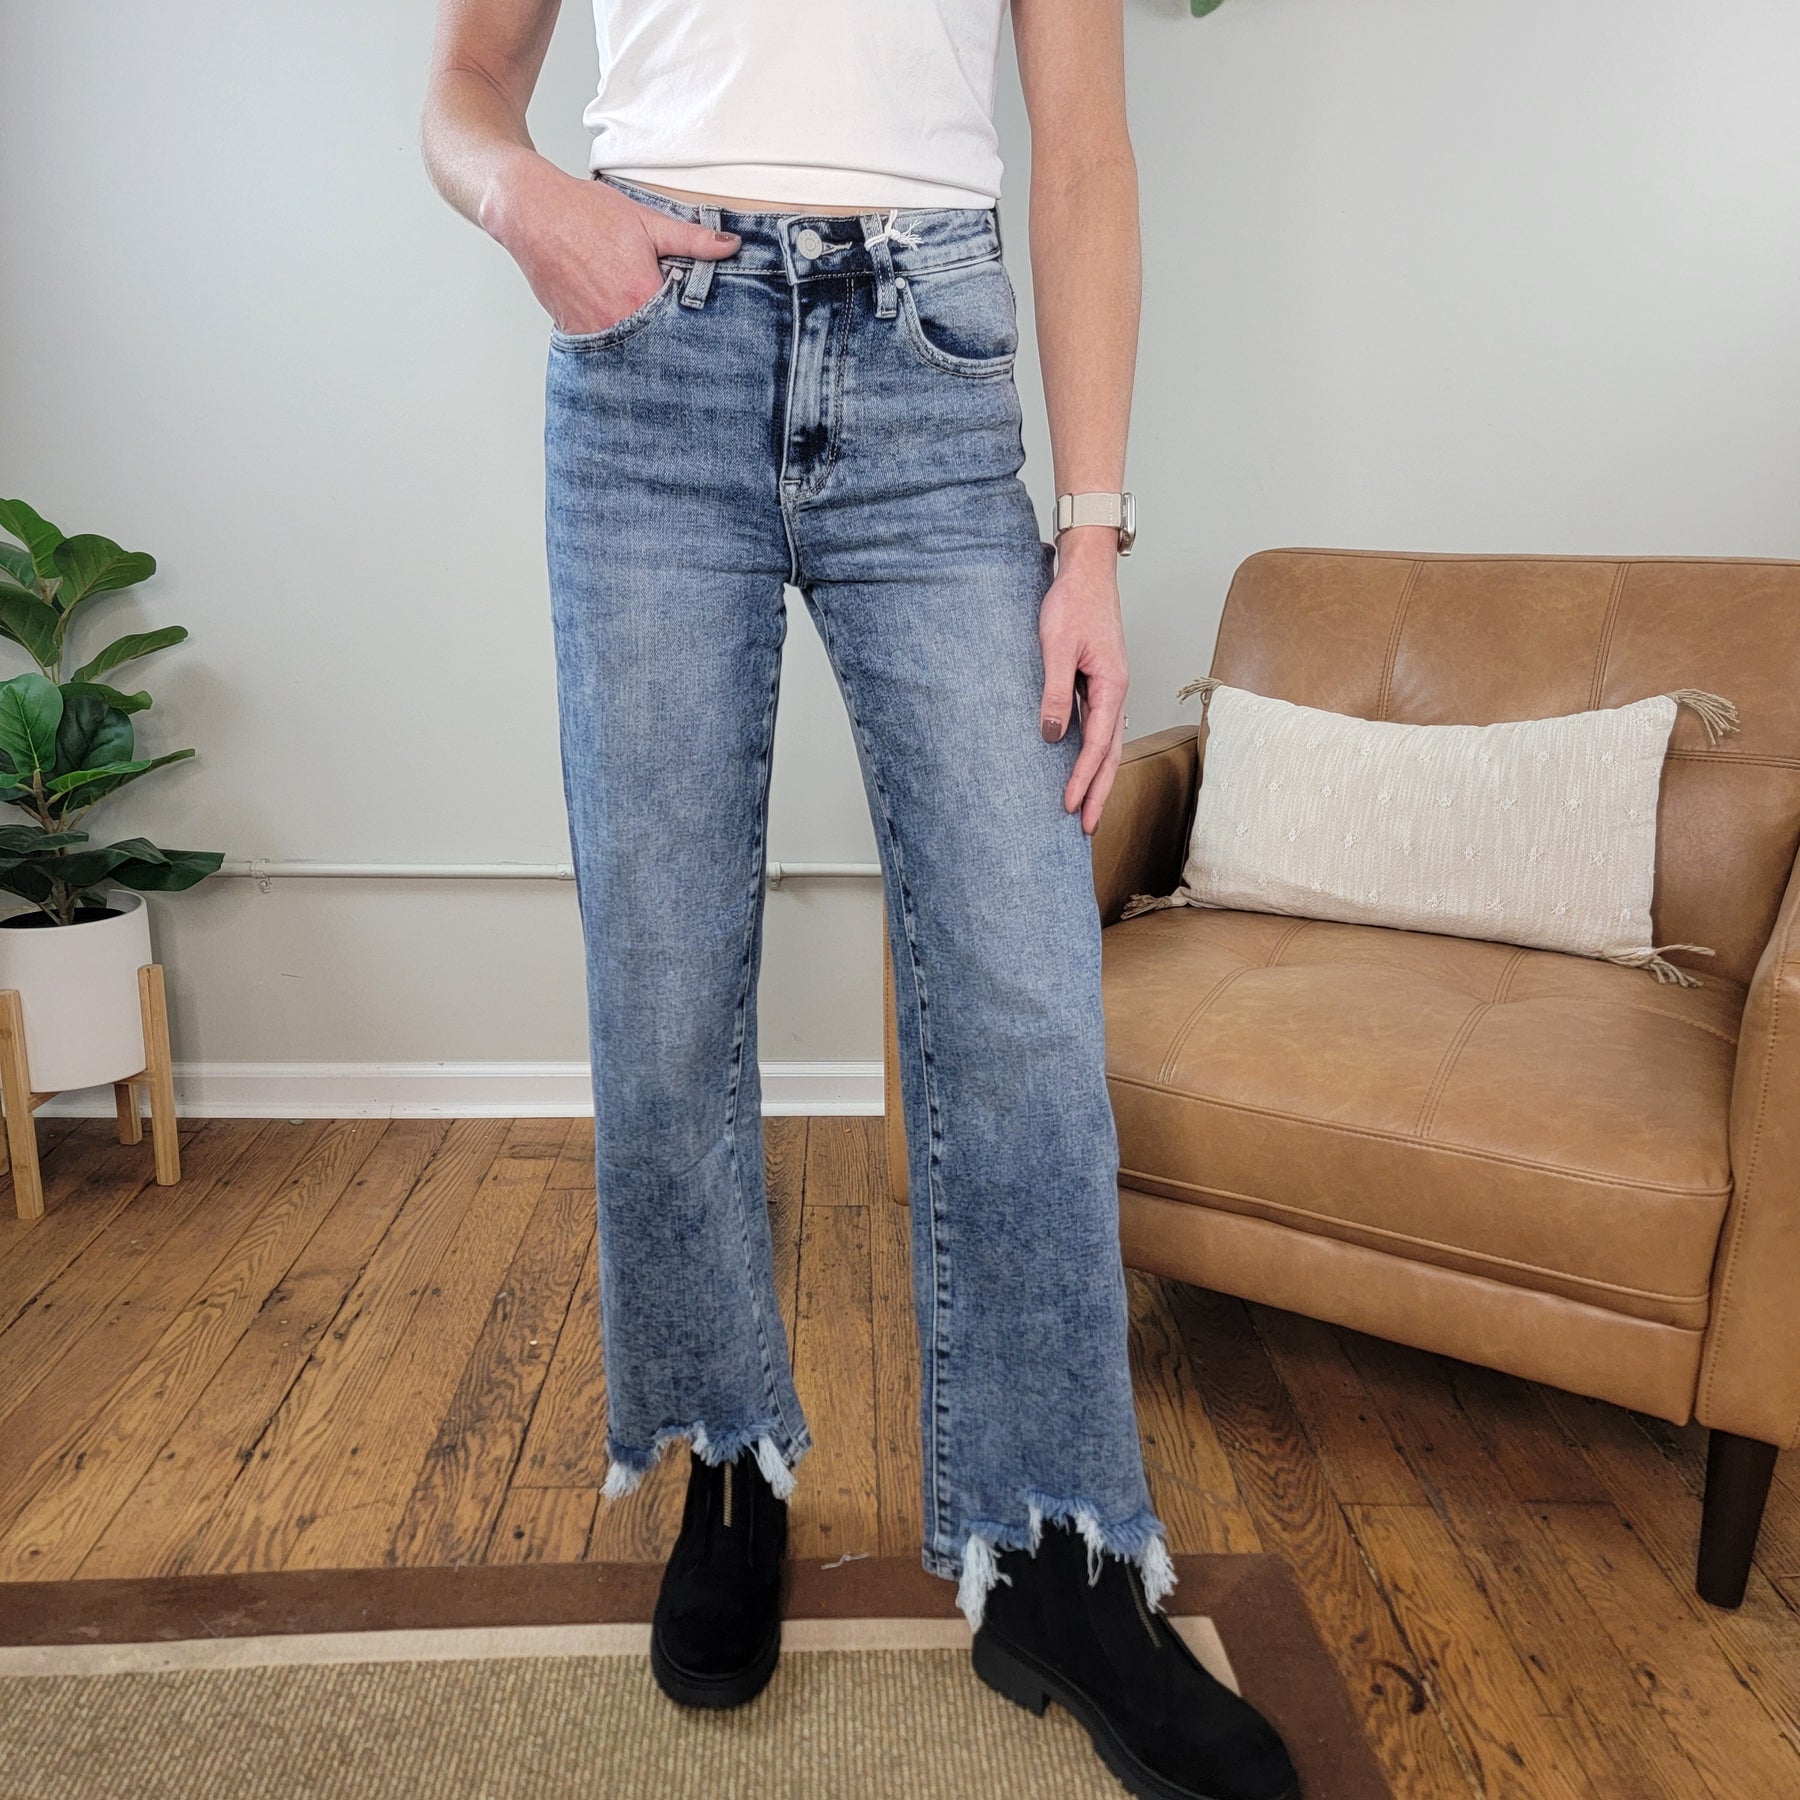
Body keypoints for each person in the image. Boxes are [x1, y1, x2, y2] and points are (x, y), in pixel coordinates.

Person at [422, 3, 1298, 1795]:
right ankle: (729, 1464)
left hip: (928, 357)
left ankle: (1056, 1559)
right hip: (651, 363)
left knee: (1027, 999)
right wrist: (524, 200)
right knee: (664, 985)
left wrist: (1090, 535)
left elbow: (1085, 150)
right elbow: (462, 86)